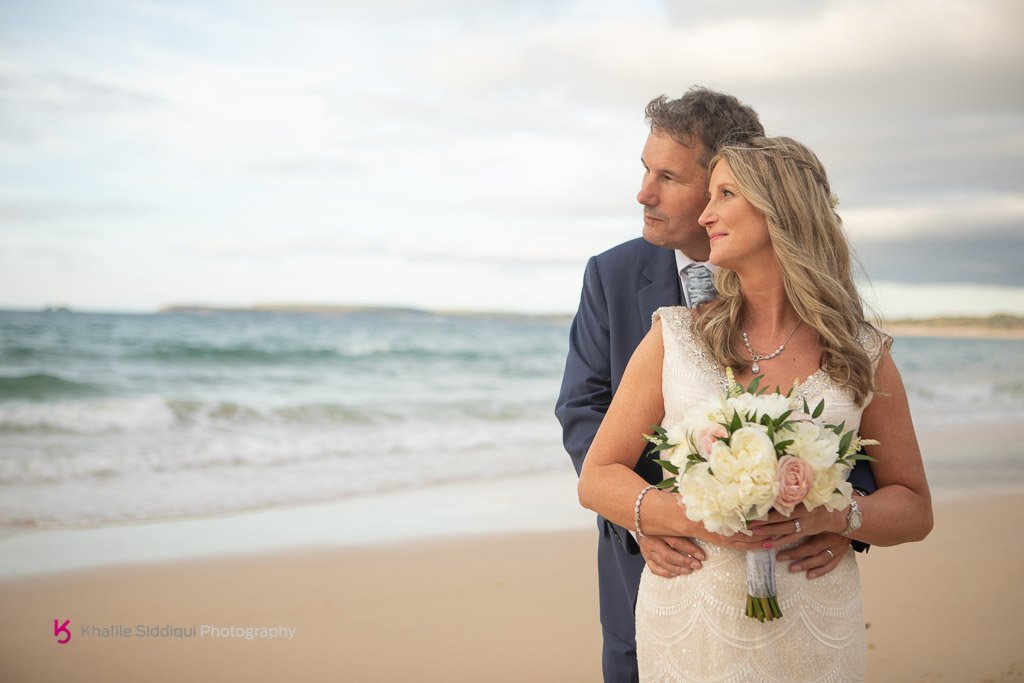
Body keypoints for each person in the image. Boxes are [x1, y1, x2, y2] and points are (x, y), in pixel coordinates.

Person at [577, 136, 933, 681]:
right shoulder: (676, 336)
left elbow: (913, 507)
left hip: (814, 614)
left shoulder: (862, 353)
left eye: (724, 194)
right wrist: (692, 517)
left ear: (779, 208)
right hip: (691, 614)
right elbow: (597, 478)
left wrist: (840, 515)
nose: (706, 213)